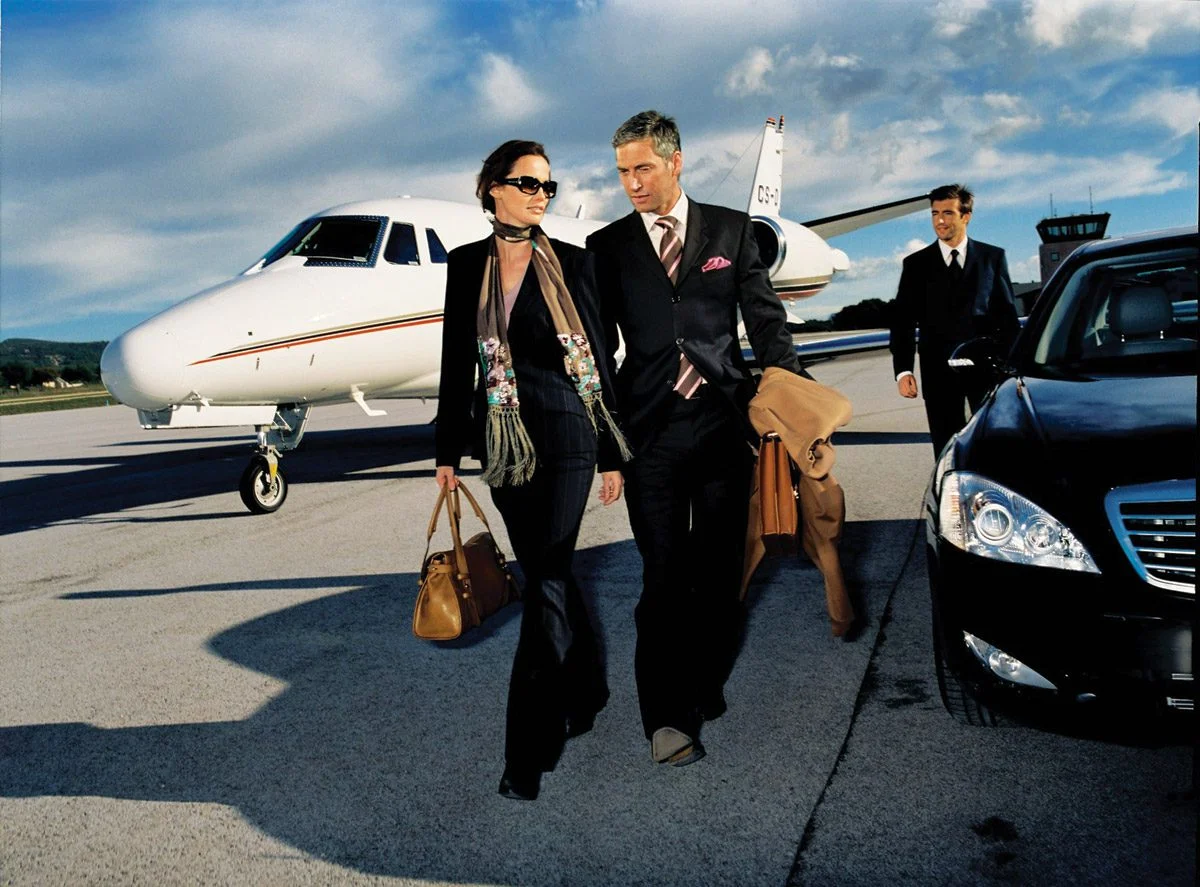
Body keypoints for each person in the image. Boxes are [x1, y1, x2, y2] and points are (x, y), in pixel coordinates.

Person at [586, 110, 808, 767]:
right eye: (623, 172)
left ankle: (704, 679)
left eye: (643, 168)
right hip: (648, 434)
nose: (632, 182)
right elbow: (594, 355)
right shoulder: (607, 246)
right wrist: (606, 449)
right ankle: (665, 717)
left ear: (675, 161)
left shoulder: (730, 231)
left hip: (722, 428)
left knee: (718, 576)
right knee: (662, 577)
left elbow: (766, 324)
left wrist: (793, 406)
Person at [434, 140, 630, 802]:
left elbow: (598, 356)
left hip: (569, 436)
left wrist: (611, 451)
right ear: (493, 188)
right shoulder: (466, 265)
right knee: (552, 573)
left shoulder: (575, 262)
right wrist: (446, 452)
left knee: (544, 580)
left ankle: (528, 750)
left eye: (548, 186)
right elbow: (455, 360)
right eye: (527, 183)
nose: (540, 195)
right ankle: (589, 688)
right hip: (503, 443)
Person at [889, 183, 1020, 456]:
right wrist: (903, 370)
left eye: (948, 213)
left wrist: (1014, 369)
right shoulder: (915, 265)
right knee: (945, 447)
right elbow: (902, 322)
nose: (939, 221)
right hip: (938, 371)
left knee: (993, 443)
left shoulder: (992, 258)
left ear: (966, 216)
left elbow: (1007, 318)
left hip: (986, 369)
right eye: (935, 213)